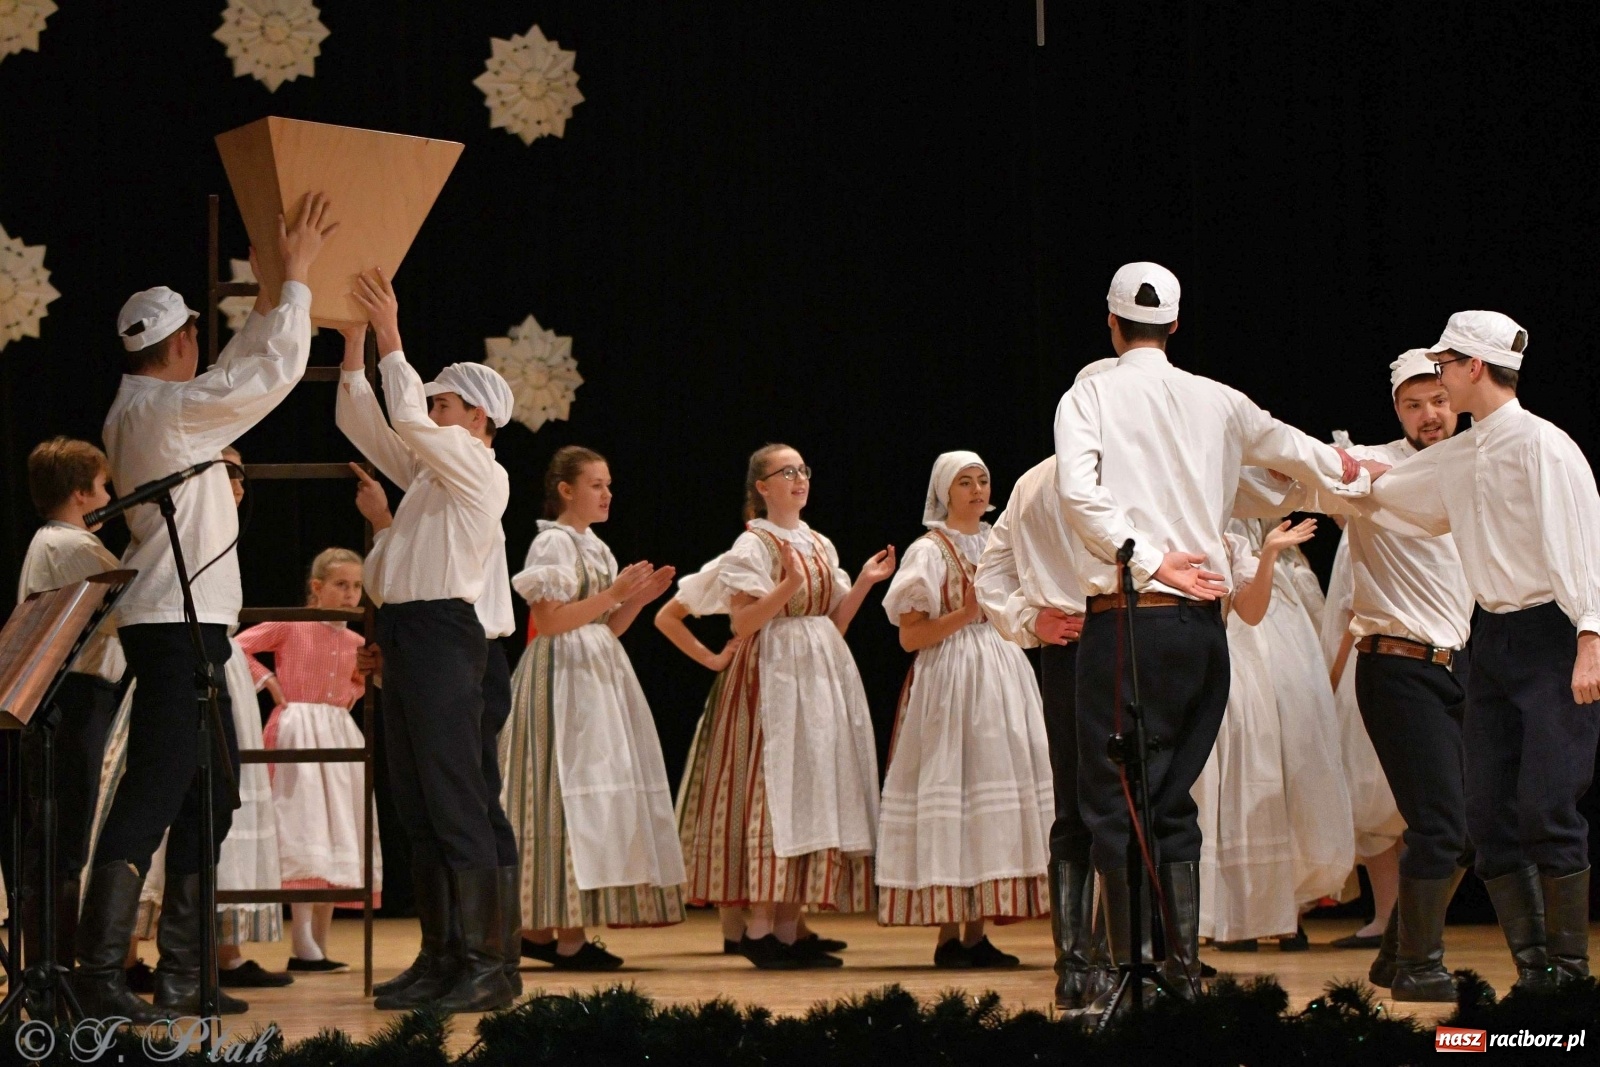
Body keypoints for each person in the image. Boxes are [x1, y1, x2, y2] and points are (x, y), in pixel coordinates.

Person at [1052, 261, 1368, 1012]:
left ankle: (1137, 979)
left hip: (1133, 617)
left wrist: (1151, 556)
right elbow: (1293, 446)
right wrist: (1351, 465)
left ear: (1111, 322)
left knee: (1118, 800)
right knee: (1171, 800)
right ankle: (1181, 973)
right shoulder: (1217, 398)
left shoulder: (1089, 393)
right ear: (1176, 325)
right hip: (1200, 632)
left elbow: (1077, 492)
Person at [81, 195, 336, 1022]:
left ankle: (187, 974)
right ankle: (99, 979)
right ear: (181, 341)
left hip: (189, 627)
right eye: (197, 334)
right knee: (155, 794)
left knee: (210, 795)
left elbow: (234, 371)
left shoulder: (151, 405)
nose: (203, 346)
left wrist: (270, 294)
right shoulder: (166, 409)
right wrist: (291, 283)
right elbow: (265, 375)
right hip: (172, 627)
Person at [1360, 312, 1600, 990]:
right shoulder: (1464, 453)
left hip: (1554, 635)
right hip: (1492, 638)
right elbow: (1389, 492)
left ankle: (1571, 979)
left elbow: (1583, 542)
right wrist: (1328, 472)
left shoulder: (1542, 446)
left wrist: (1592, 635)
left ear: (1472, 368)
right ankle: (1537, 976)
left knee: (1548, 806)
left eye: (1443, 364)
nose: (1436, 377)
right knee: (1488, 813)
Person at [333, 269, 514, 1013]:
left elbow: (404, 423)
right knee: (415, 803)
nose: (428, 413)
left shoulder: (476, 467)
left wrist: (390, 335)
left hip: (446, 637)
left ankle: (485, 963)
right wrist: (352, 351)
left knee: (456, 800)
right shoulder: (429, 485)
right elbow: (373, 427)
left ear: (477, 418)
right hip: (414, 636)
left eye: (442, 403)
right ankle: (444, 957)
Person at [680, 444, 894, 969]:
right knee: (778, 794)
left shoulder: (818, 541)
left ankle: (786, 929)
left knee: (815, 792)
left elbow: (834, 620)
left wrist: (863, 582)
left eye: (803, 470)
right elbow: (743, 623)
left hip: (821, 673)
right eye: (787, 472)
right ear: (763, 486)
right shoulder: (752, 545)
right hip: (775, 674)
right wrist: (788, 588)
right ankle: (759, 929)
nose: (799, 479)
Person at [500, 446, 685, 970]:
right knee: (560, 792)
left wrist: (635, 600)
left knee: (590, 795)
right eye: (596, 485)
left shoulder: (596, 547)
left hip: (597, 670)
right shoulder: (551, 543)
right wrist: (613, 595)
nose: (607, 494)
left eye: (608, 485)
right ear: (566, 489)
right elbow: (552, 621)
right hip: (561, 674)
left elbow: (608, 626)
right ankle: (563, 936)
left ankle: (546, 932)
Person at [877, 452, 1053, 967]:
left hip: (1001, 675)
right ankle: (948, 934)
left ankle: (975, 933)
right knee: (954, 791)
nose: (977, 490)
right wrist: (967, 613)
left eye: (983, 480)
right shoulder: (930, 552)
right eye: (965, 483)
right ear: (944, 493)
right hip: (951, 679)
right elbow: (911, 636)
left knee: (987, 797)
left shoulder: (999, 542)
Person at [238, 546, 382, 974]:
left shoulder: (356, 638)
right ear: (317, 588)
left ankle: (318, 942)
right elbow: (238, 647)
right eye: (341, 585)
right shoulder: (293, 623)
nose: (350, 594)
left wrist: (355, 686)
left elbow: (357, 684)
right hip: (298, 726)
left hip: (338, 730)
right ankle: (301, 941)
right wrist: (269, 683)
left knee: (338, 829)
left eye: (356, 586)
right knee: (303, 826)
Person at [16, 438, 127, 976]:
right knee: (65, 836)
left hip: (66, 696)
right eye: (104, 487)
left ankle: (49, 965)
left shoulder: (51, 542)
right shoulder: (74, 547)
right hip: (76, 697)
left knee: (58, 833)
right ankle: (53, 969)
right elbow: (133, 600)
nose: (110, 496)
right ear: (83, 493)